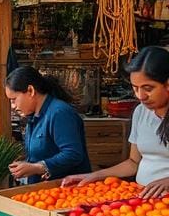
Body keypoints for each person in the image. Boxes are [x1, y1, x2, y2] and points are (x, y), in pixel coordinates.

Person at [63, 47, 169, 198]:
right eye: (135, 88)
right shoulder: (140, 112)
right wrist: (95, 175)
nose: (141, 96)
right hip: (141, 201)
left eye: (148, 88)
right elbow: (133, 162)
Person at [5, 66, 91, 185]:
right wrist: (25, 163)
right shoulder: (34, 115)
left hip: (65, 191)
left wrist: (37, 167)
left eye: (14, 100)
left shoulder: (59, 113)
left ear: (31, 91)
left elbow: (73, 154)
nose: (13, 106)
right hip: (44, 190)